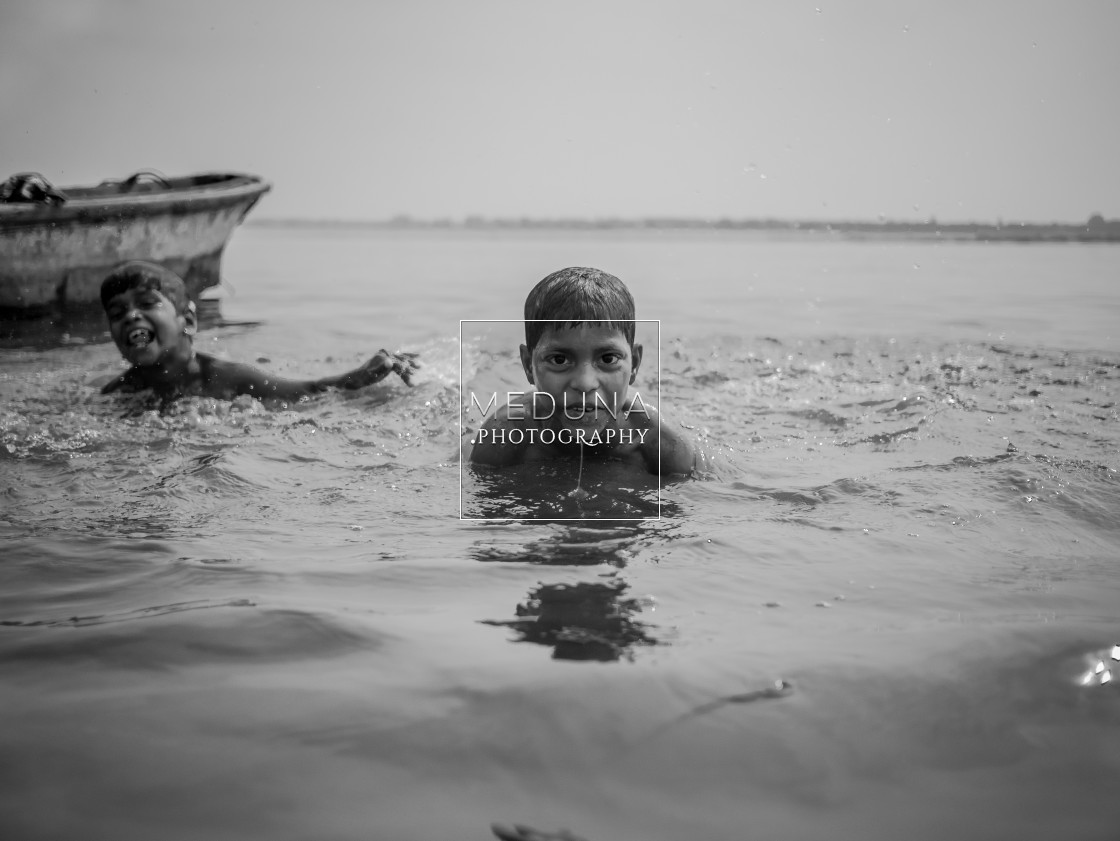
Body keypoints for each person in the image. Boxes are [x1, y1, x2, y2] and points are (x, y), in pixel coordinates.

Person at [469, 266, 697, 475]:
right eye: (559, 360)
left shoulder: (663, 445)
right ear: (529, 365)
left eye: (607, 359)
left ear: (635, 364)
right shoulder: (503, 437)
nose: (586, 383)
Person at [99, 261, 418, 403]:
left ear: (189, 321)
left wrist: (360, 376)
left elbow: (305, 391)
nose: (130, 316)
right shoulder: (119, 393)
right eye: (117, 313)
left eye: (146, 304)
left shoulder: (227, 378)